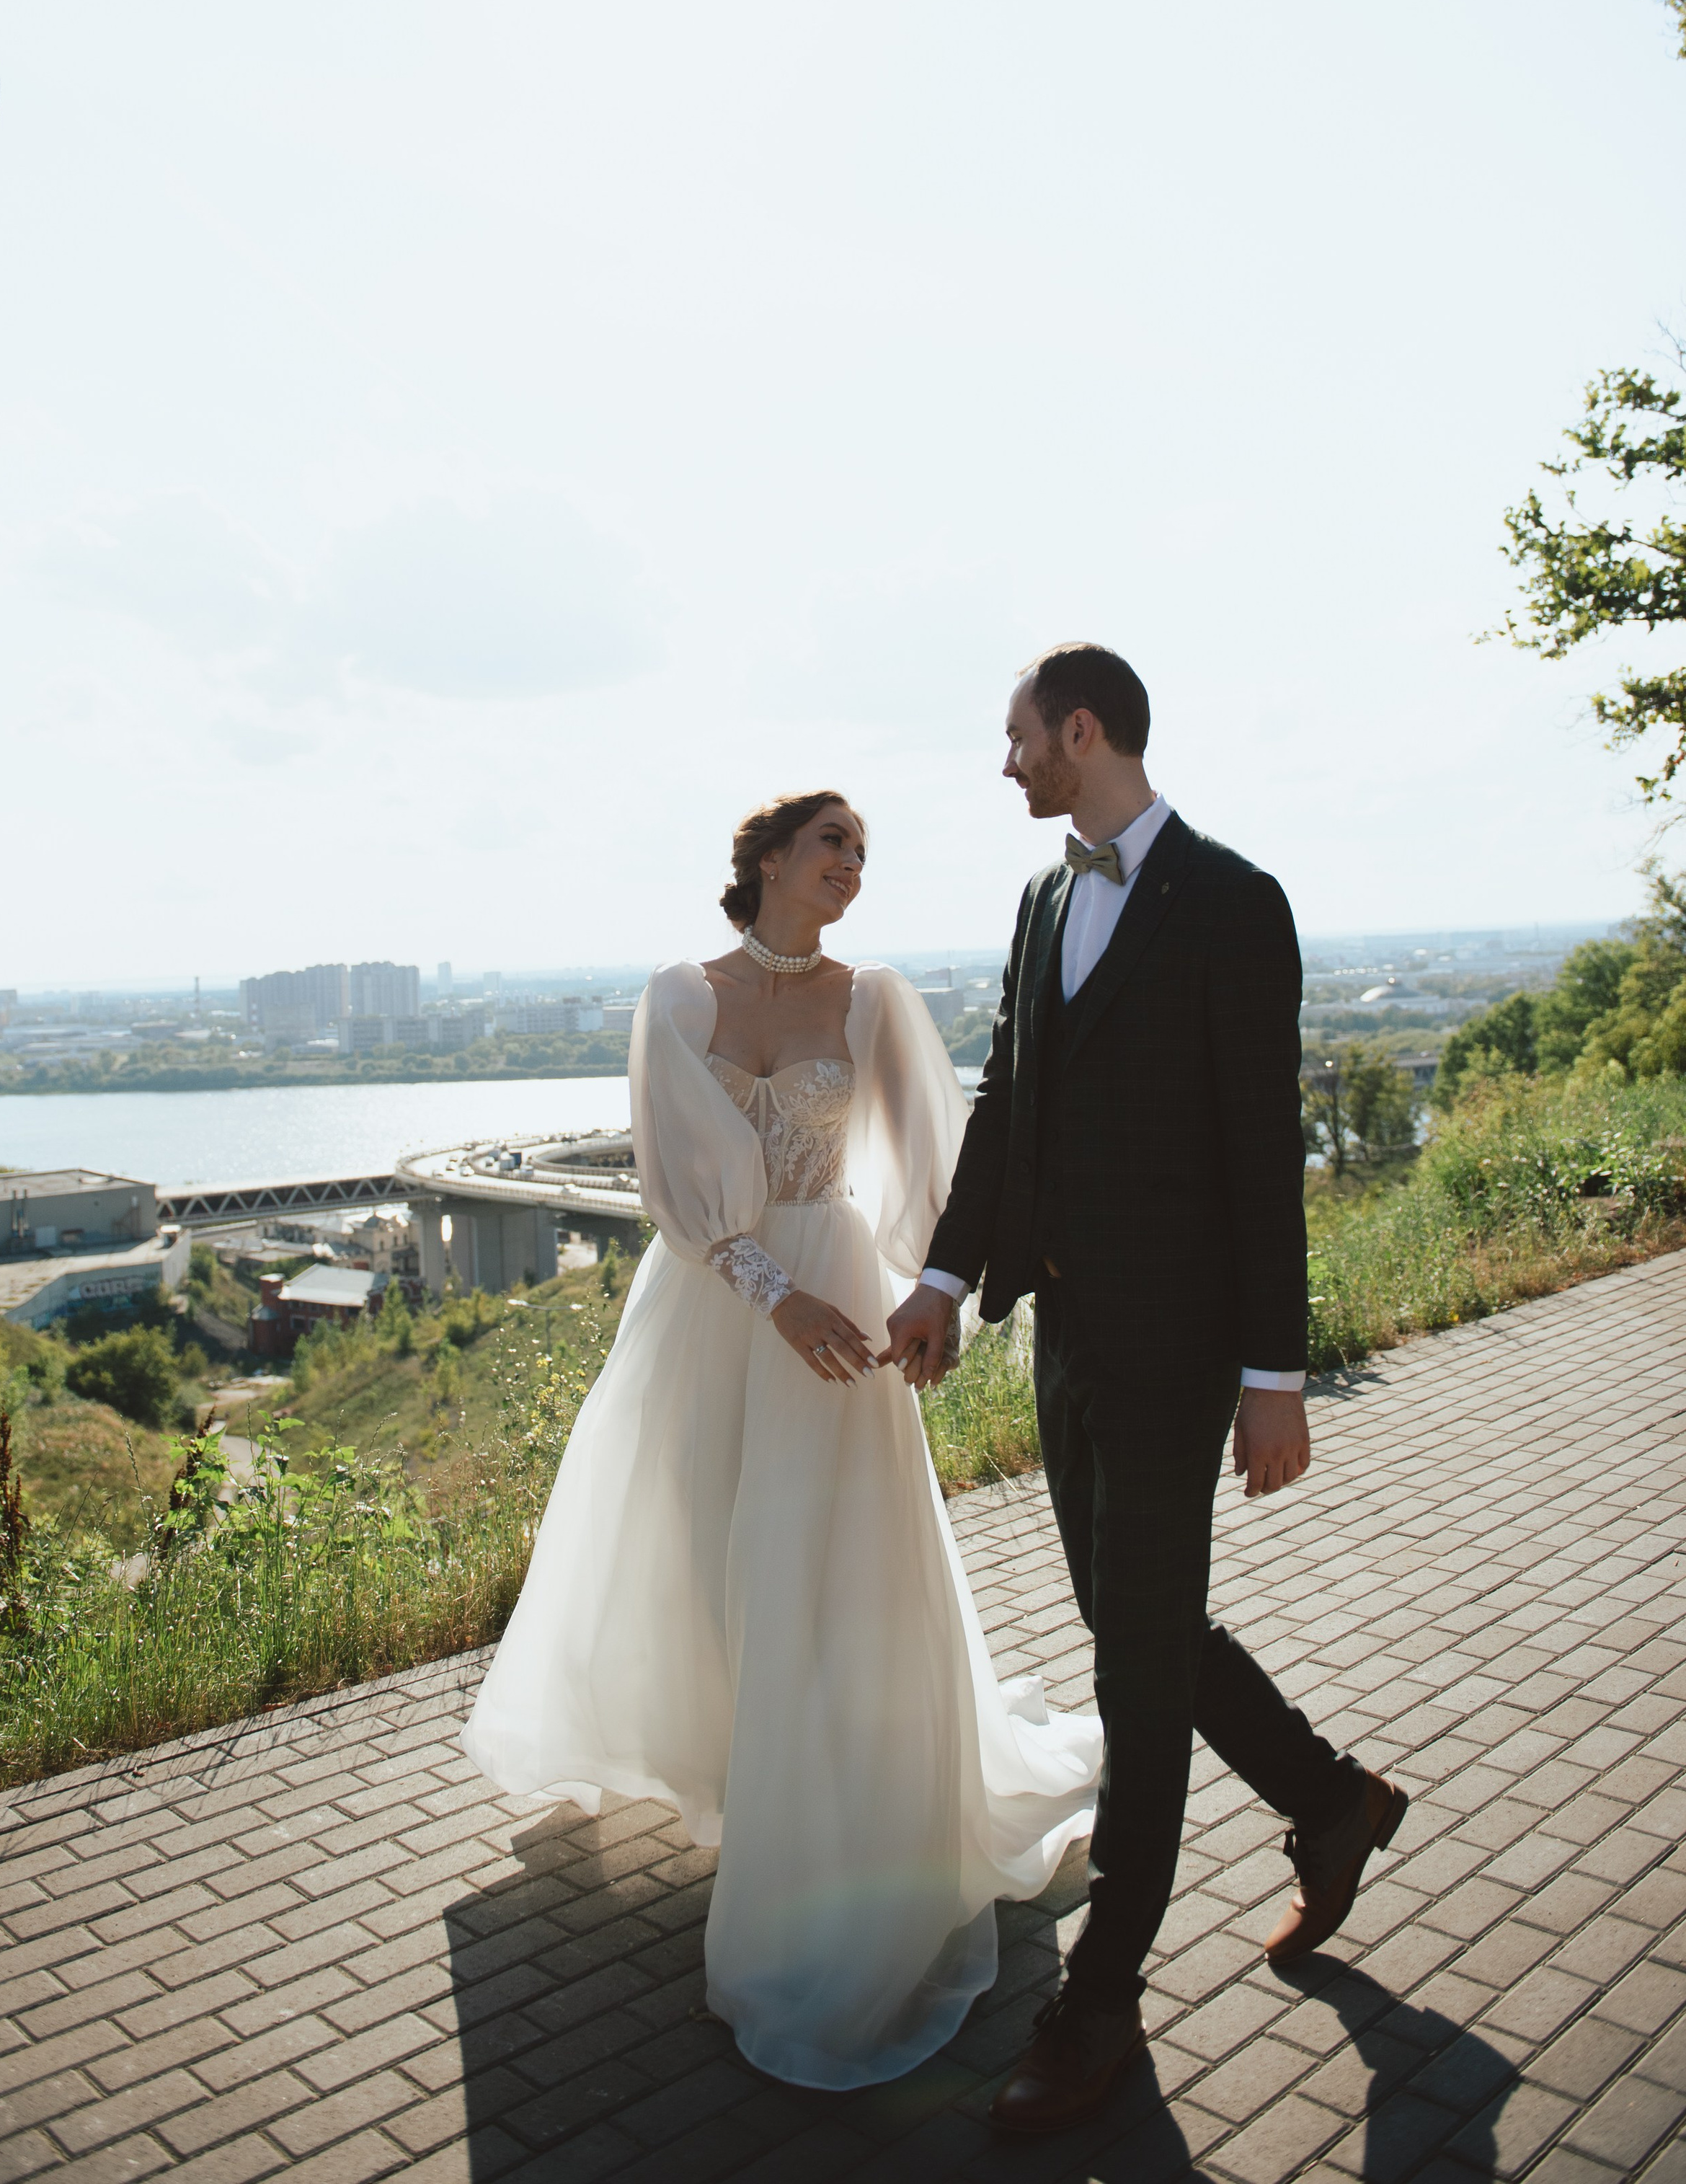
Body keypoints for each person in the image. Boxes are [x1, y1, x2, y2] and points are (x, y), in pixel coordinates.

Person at [462, 788, 1102, 2090]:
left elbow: (944, 1161)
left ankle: (820, 1847)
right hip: (716, 1308)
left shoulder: (873, 1002)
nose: (853, 867)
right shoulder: (677, 997)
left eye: (864, 852)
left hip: (841, 1309)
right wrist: (772, 1295)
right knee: (702, 1550)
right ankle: (744, 1780)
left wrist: (941, 1291)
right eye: (832, 845)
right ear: (763, 859)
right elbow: (674, 1193)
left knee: (823, 1572)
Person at [884, 642, 1409, 2134]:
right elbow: (1011, 1099)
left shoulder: (1235, 905)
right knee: (1139, 1626)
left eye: (1014, 739)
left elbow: (1260, 1152)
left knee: (1133, 1677)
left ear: (1081, 729)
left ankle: (1098, 2000)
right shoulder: (1045, 897)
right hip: (1063, 1339)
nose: (1003, 766)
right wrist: (940, 1274)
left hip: (1184, 1357)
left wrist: (1272, 1374)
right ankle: (1328, 1800)